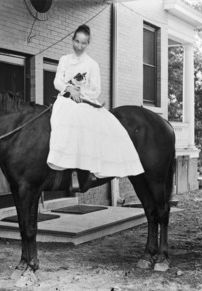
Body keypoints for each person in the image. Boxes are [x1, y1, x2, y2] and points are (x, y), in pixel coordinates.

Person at [47, 24, 144, 191]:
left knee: (90, 124)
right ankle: (65, 166)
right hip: (65, 99)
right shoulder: (64, 60)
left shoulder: (92, 64)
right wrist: (69, 88)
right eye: (76, 41)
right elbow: (57, 81)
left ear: (88, 44)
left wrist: (81, 93)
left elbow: (96, 89)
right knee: (59, 121)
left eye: (83, 43)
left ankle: (86, 170)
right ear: (72, 40)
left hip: (84, 101)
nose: (79, 46)